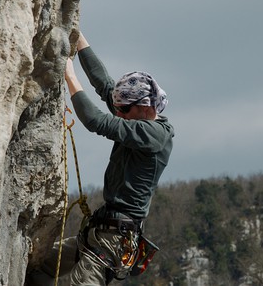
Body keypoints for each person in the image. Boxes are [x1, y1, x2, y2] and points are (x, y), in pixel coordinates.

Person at [26, 32, 174, 285]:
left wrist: (69, 75)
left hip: (114, 239)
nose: (119, 113)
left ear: (146, 106)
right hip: (99, 230)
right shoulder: (133, 117)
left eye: (124, 110)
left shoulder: (153, 135)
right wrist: (78, 40)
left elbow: (96, 121)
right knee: (36, 269)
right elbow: (105, 85)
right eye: (118, 109)